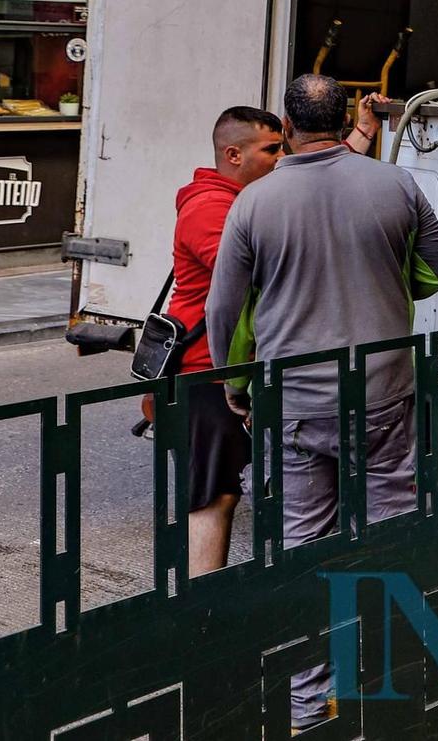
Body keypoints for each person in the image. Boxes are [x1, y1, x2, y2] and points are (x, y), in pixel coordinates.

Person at [207, 74, 438, 728]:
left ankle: (307, 711)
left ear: (286, 129)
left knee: (302, 557)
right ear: (346, 115)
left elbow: (222, 307)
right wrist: (387, 274)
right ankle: (393, 690)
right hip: (382, 400)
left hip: (292, 408)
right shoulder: (394, 183)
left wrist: (237, 387)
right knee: (391, 544)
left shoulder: (255, 203)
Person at [168, 105, 283, 577]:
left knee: (226, 489)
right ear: (234, 154)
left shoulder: (243, 199)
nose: (282, 159)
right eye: (271, 150)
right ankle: (203, 609)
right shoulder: (210, 208)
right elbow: (259, 274)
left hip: (232, 368)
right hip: (206, 372)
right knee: (213, 495)